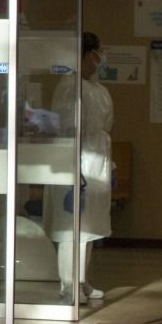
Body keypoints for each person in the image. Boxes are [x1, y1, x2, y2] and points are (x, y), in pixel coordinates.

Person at [45, 31, 115, 303]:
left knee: (88, 227)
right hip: (76, 160)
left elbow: (106, 125)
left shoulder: (98, 89)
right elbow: (67, 127)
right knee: (71, 227)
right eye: (98, 52)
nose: (100, 58)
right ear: (88, 54)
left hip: (96, 161)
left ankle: (82, 280)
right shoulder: (70, 85)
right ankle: (68, 284)